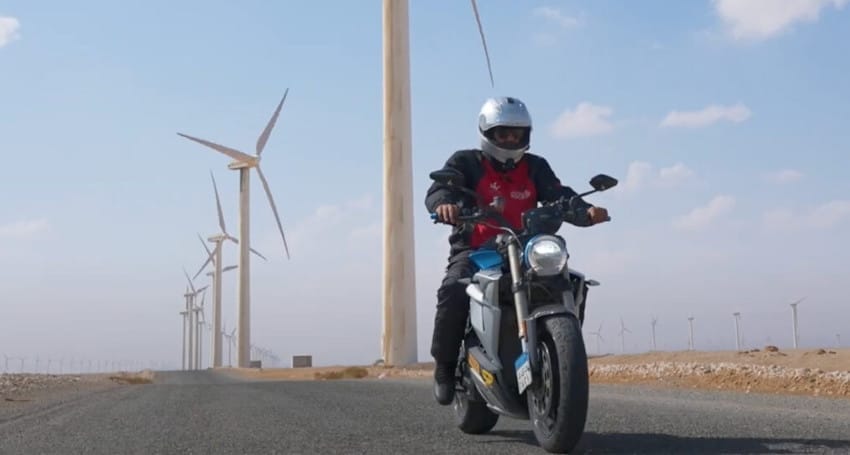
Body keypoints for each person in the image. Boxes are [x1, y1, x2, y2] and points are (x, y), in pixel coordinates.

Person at [425, 96, 610, 405]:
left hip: (527, 247)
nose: (510, 139)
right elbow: (442, 189)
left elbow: (558, 195)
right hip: (478, 249)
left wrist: (586, 209)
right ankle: (444, 367)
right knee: (453, 290)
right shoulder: (466, 162)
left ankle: (563, 353)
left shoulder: (536, 166)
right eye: (502, 133)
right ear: (487, 133)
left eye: (516, 133)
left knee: (571, 279)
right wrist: (446, 205)